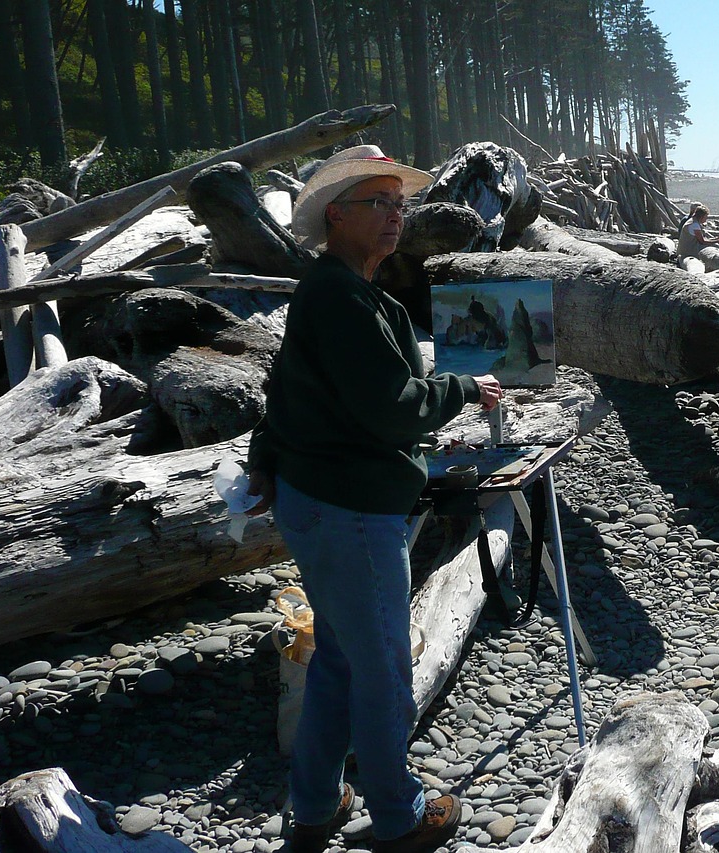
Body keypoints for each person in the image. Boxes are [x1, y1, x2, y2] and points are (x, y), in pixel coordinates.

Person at [245, 144, 502, 853]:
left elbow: (287, 387)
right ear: (336, 214)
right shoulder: (338, 295)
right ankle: (399, 816)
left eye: (400, 202)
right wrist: (462, 389)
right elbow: (390, 408)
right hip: (349, 511)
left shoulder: (342, 291)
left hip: (323, 499)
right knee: (384, 665)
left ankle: (316, 804)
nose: (397, 215)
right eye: (379, 202)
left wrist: (265, 456)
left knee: (338, 656)